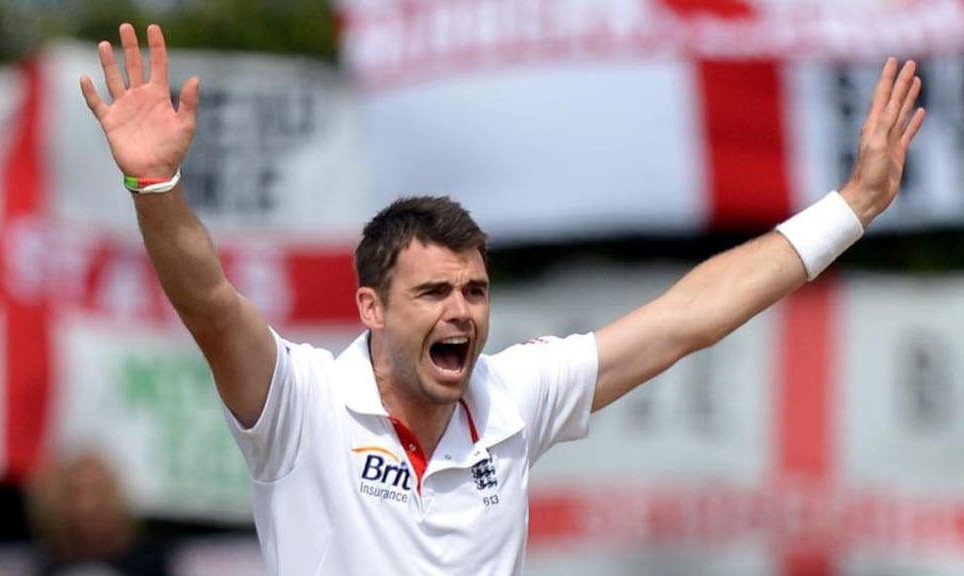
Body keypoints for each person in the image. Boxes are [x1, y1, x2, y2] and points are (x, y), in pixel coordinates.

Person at [80, 22, 925, 575]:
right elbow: (211, 301)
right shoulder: (300, 402)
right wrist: (156, 185)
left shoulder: (514, 394)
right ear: (371, 308)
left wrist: (850, 208)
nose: (462, 311)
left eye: (475, 290)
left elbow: (687, 319)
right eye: (433, 291)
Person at [27, 449, 174, 576]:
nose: (88, 506)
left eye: (98, 491)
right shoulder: (39, 561)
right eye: (76, 492)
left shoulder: (151, 560)